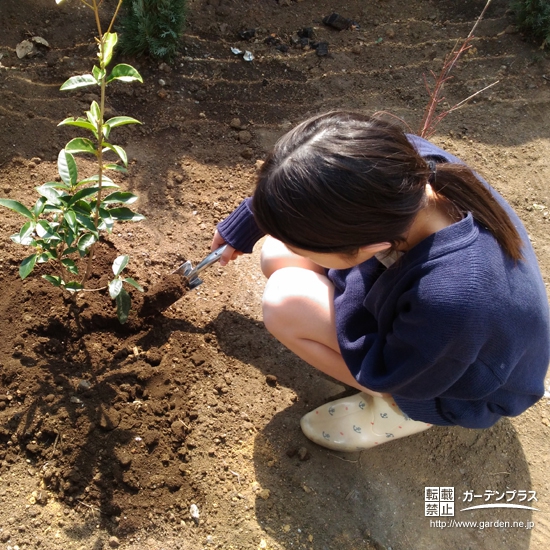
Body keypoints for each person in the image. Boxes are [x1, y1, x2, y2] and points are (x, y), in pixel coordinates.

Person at [211, 111, 550, 452]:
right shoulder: (397, 163)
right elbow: (315, 179)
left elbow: (397, 372)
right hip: (431, 332)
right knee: (276, 254)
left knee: (285, 303)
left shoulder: (452, 299)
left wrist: (394, 386)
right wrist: (250, 222)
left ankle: (399, 412)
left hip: (449, 384)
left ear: (370, 247)